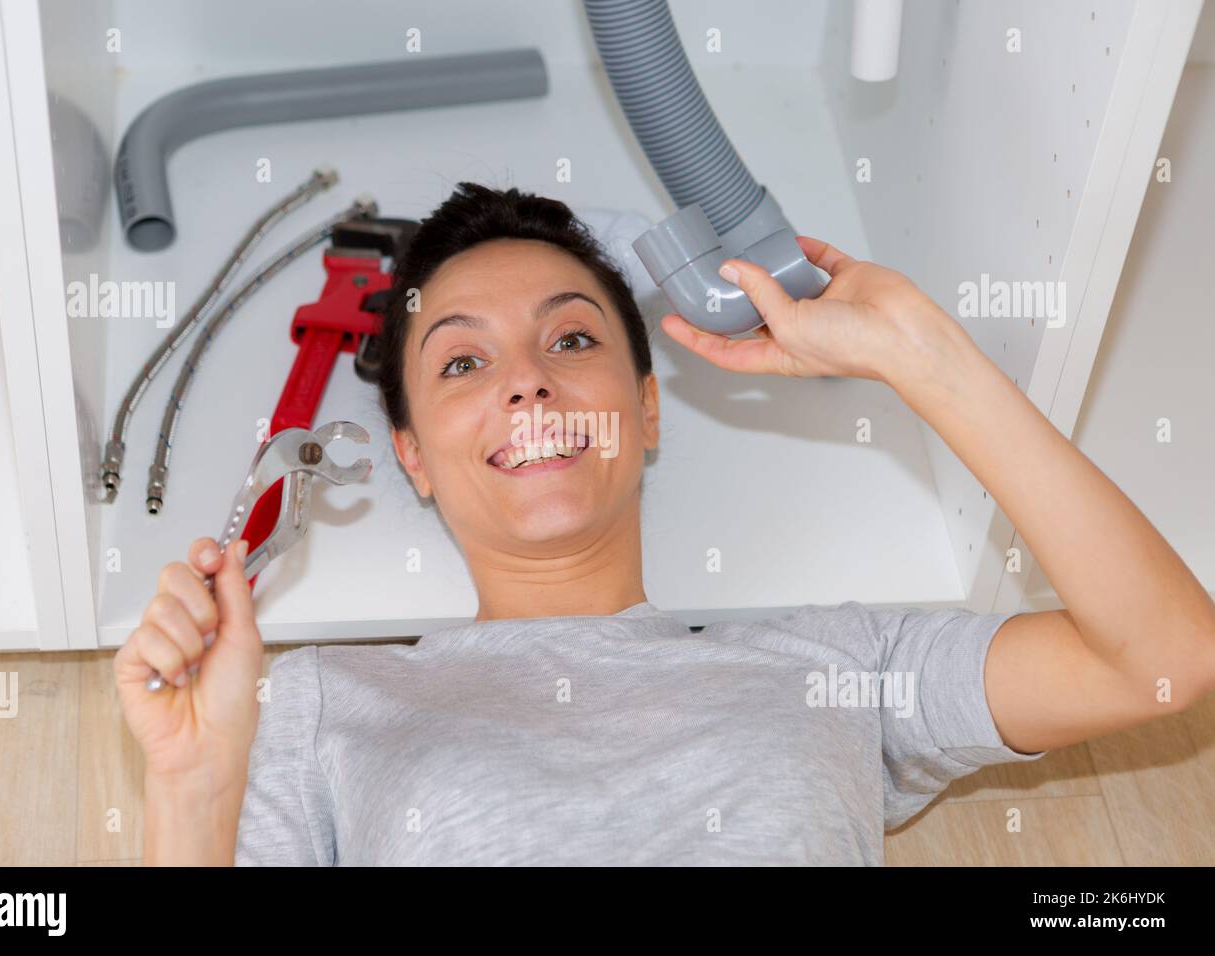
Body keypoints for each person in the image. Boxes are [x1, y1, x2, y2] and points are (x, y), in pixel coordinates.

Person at [115, 182, 1215, 865]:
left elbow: (1162, 659)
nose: (528, 386)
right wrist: (190, 787)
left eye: (574, 339)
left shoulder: (833, 661)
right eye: (462, 359)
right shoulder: (314, 705)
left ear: (647, 411)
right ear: (411, 456)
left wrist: (917, 355)